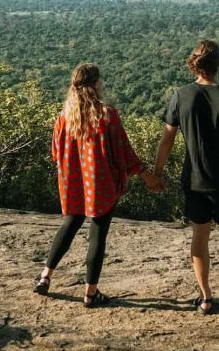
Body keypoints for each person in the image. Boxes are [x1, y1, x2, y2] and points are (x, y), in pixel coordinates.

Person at [34, 63, 164, 306]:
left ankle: (45, 277)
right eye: (100, 80)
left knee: (71, 223)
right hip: (101, 184)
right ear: (94, 84)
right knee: (98, 233)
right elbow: (125, 154)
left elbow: (55, 152)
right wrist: (149, 177)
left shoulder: (64, 117)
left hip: (73, 182)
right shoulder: (107, 115)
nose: (103, 83)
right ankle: (90, 293)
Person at [154, 40, 219, 315]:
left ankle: (206, 297)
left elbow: (166, 140)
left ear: (195, 65)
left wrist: (157, 173)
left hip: (195, 179)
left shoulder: (181, 96)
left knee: (200, 235)